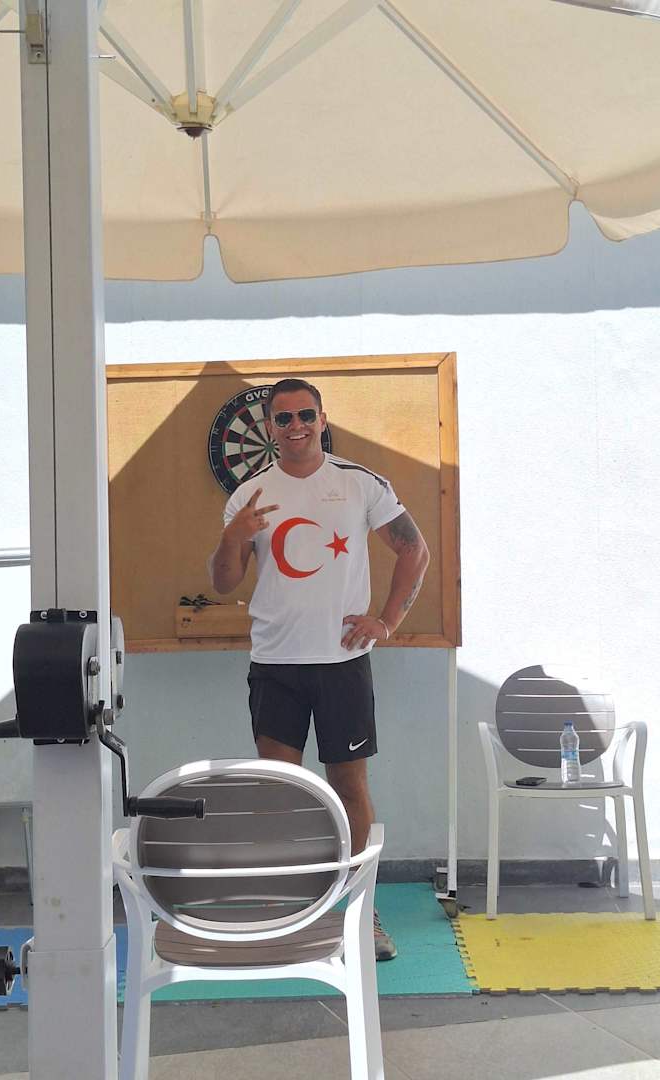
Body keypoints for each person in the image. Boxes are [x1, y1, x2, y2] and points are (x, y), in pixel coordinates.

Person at [209, 377, 430, 960]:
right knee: (282, 794)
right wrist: (232, 537)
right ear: (270, 428)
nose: (296, 426)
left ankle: (360, 910)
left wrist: (386, 621)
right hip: (276, 665)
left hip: (342, 666)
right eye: (284, 418)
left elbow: (414, 550)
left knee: (349, 788)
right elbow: (224, 582)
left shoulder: (359, 483)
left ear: (322, 419)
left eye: (306, 415)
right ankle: (289, 910)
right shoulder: (249, 496)